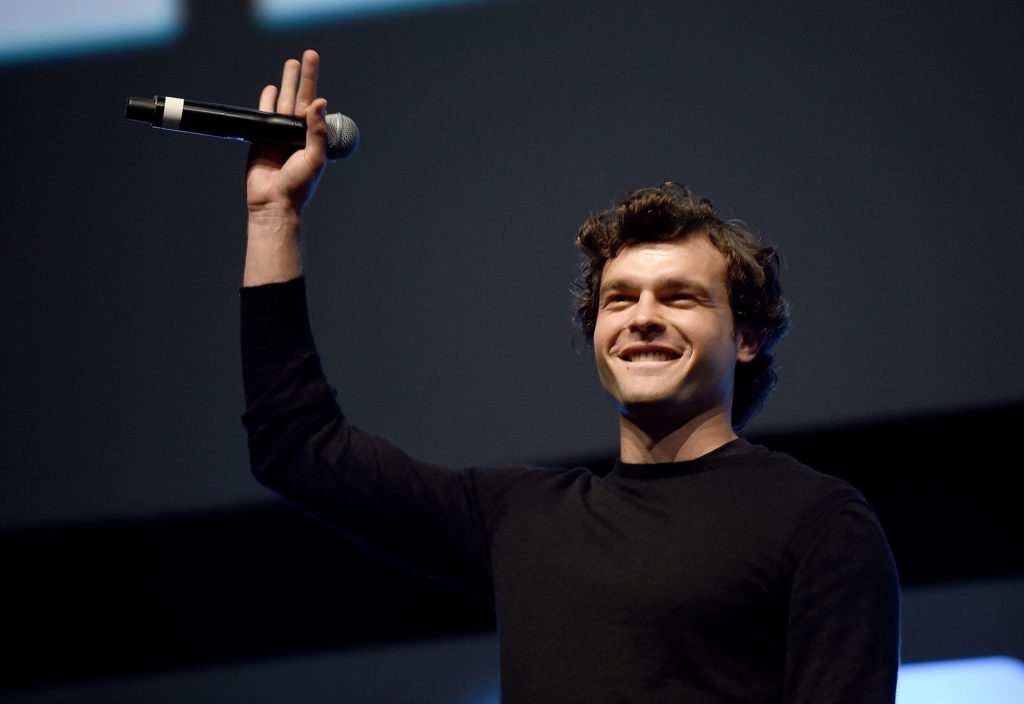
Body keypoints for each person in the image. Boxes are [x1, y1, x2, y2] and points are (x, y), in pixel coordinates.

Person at [240, 50, 901, 703]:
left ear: (747, 337)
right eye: (620, 299)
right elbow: (297, 447)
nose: (642, 317)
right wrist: (275, 216)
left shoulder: (815, 523)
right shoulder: (522, 521)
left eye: (679, 297)